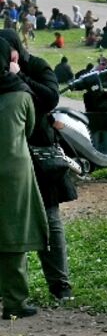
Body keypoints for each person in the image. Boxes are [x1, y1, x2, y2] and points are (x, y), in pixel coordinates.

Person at [2, 29, 75, 303]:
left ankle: (60, 284)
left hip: (39, 154)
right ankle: (11, 290)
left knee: (50, 219)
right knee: (9, 225)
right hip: (13, 157)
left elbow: (49, 98)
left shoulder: (37, 66)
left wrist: (19, 76)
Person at [0, 36, 47, 320]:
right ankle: (15, 301)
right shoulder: (20, 94)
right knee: (13, 235)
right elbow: (28, 129)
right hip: (14, 172)